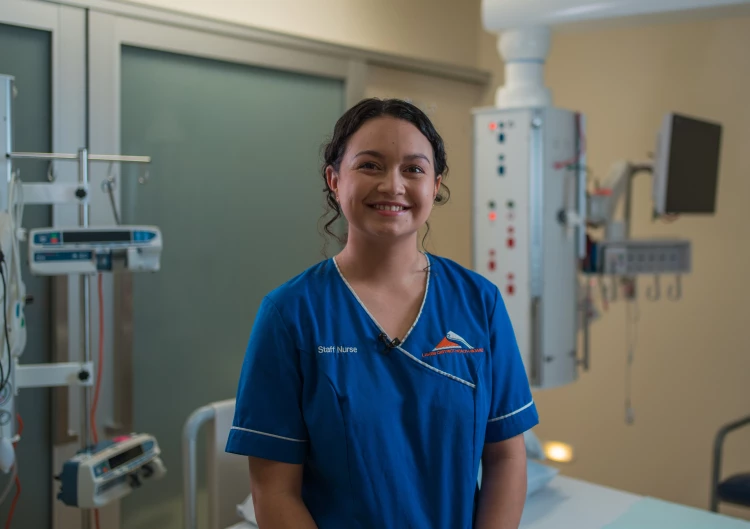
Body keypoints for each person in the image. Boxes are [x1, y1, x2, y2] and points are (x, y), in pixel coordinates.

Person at [225, 98, 539, 529]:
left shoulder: (478, 302)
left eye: (413, 169)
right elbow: (274, 490)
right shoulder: (291, 314)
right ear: (334, 180)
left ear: (434, 185)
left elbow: (506, 455)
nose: (393, 185)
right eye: (370, 165)